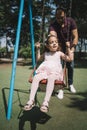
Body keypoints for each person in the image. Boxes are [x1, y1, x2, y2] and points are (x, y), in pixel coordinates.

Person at [23, 35, 73, 112]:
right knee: (36, 77)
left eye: (56, 42)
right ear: (47, 45)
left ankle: (45, 102)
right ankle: (31, 101)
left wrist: (68, 48)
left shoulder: (59, 53)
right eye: (52, 42)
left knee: (51, 77)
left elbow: (70, 59)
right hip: (44, 72)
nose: (54, 43)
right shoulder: (46, 54)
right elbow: (38, 59)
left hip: (54, 74)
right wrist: (38, 49)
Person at [48, 7, 78, 99]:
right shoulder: (53, 25)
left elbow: (75, 36)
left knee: (71, 66)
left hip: (69, 47)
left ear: (65, 15)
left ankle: (70, 84)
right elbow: (53, 36)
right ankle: (60, 88)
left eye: (61, 17)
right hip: (59, 48)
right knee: (60, 67)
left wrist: (72, 48)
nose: (59, 19)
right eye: (57, 17)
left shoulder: (71, 21)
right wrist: (53, 40)